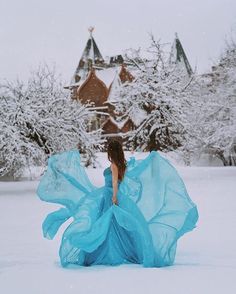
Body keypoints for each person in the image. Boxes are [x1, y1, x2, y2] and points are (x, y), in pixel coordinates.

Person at [37, 140, 199, 267]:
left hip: (111, 196)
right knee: (115, 226)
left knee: (108, 225)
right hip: (116, 195)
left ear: (110, 152)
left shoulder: (114, 165)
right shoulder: (123, 164)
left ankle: (107, 253)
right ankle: (124, 251)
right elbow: (124, 180)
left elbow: (115, 182)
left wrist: (114, 198)